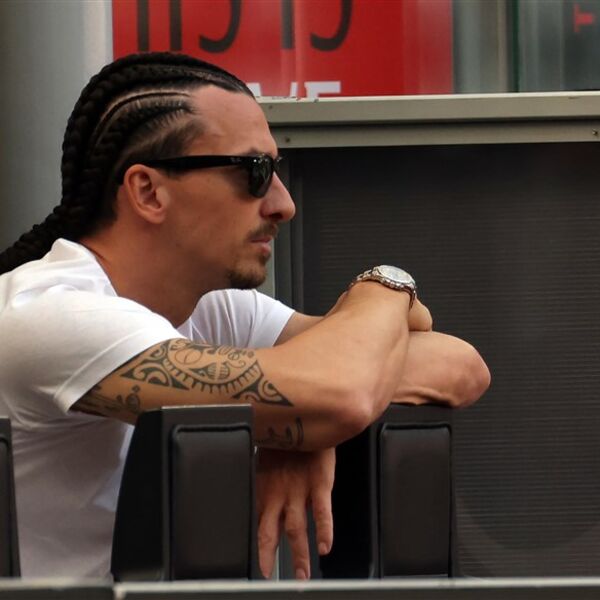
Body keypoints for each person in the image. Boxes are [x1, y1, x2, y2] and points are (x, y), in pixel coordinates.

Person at [0, 52, 490, 581]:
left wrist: (301, 428)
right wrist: (384, 290)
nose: (283, 203)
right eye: (254, 172)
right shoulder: (49, 315)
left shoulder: (212, 308)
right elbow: (344, 393)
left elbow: (461, 366)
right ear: (148, 191)